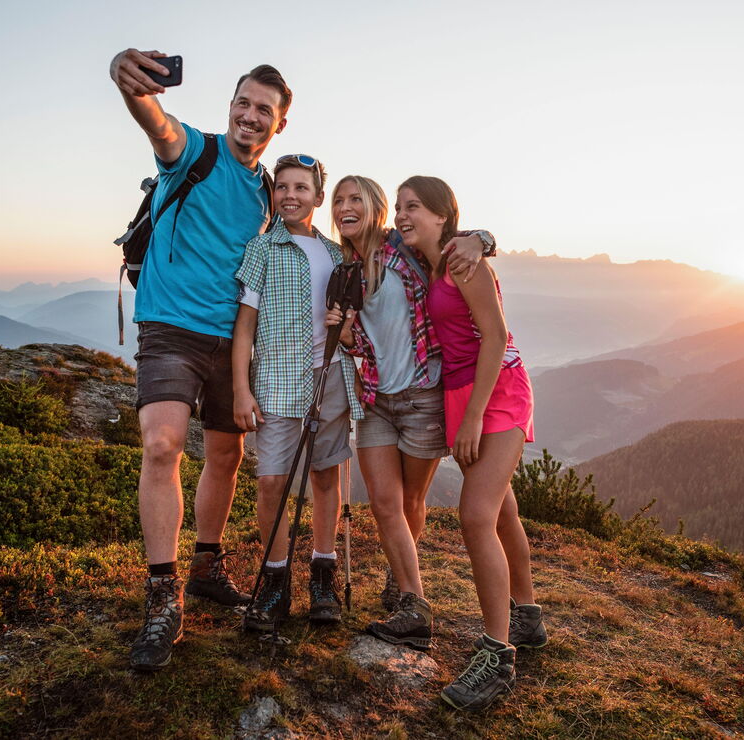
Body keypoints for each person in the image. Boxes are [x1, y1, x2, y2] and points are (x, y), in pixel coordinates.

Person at [109, 48, 290, 671]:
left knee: (226, 454)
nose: (249, 115)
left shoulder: (269, 191)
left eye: (263, 110)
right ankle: (164, 597)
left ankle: (207, 564)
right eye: (243, 103)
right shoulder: (196, 151)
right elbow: (156, 123)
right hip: (170, 329)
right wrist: (127, 80)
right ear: (230, 108)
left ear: (278, 125)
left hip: (234, 340)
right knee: (161, 445)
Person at [395, 175, 546, 712]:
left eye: (412, 207)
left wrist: (474, 416)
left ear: (442, 215)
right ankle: (526, 618)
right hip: (462, 392)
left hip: (496, 391)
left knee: (475, 515)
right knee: (502, 511)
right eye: (398, 207)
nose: (401, 215)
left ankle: (495, 657)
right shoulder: (431, 259)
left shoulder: (463, 260)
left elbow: (498, 335)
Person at [325, 176, 492, 650]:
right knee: (384, 504)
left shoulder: (405, 249)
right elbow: (356, 338)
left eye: (356, 198)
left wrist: (482, 240)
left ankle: (401, 579)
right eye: (339, 200)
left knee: (412, 502)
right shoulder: (346, 266)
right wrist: (344, 334)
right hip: (378, 399)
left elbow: (456, 237)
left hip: (422, 395)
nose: (345, 207)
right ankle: (414, 605)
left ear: (376, 208)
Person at [232, 155, 363, 632]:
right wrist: (241, 389)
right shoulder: (262, 249)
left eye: (301, 187)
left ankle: (322, 575)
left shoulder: (337, 254)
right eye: (281, 187)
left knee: (326, 476)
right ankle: (274, 581)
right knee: (273, 482)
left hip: (330, 378)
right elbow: (243, 327)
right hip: (276, 383)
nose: (290, 195)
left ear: (317, 196)